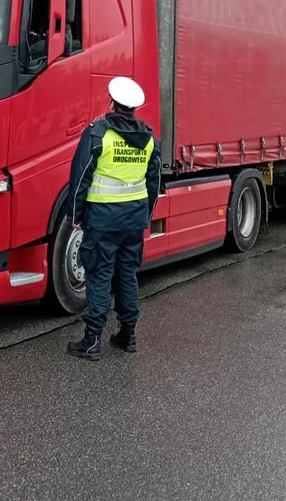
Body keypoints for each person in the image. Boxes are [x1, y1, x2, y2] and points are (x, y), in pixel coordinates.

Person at [66, 76, 161, 361]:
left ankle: (92, 341)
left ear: (111, 103)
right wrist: (145, 215)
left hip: (102, 220)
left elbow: (80, 176)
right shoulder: (149, 139)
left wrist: (75, 214)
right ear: (134, 109)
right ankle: (127, 335)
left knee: (99, 274)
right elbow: (153, 183)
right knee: (128, 275)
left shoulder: (98, 134)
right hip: (133, 221)